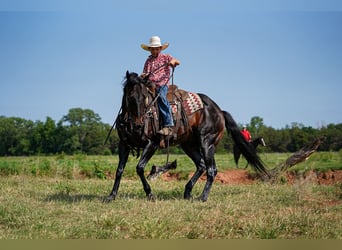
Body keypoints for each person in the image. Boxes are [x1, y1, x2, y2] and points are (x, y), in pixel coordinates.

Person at [141, 36, 180, 136]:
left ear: (160, 49)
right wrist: (144, 75)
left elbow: (177, 61)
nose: (155, 51)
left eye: (157, 48)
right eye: (153, 49)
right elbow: (145, 72)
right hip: (149, 84)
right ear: (149, 50)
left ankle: (168, 124)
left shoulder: (166, 57)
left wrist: (173, 62)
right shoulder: (148, 61)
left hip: (162, 84)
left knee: (161, 97)